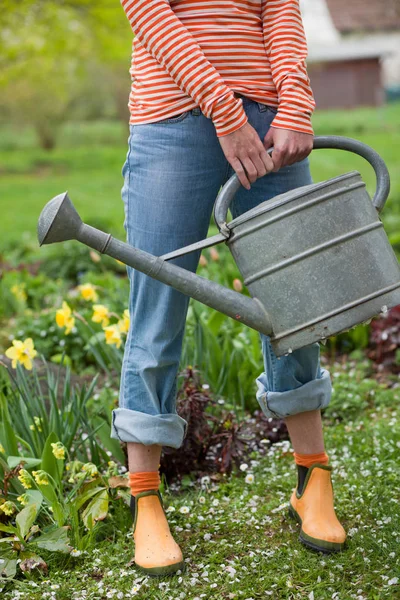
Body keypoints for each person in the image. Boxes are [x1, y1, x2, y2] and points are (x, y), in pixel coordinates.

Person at [111, 0, 346, 576]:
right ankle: (145, 496)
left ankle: (311, 476)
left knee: (296, 301)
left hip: (273, 123)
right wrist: (223, 110)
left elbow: (280, 10)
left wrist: (296, 102)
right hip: (173, 124)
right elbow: (148, 12)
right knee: (157, 307)